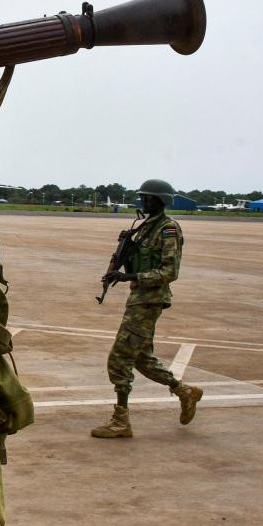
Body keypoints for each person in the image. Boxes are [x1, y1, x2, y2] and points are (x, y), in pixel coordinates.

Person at [92, 179, 203, 438]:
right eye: (143, 198)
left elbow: (169, 271)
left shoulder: (168, 230)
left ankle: (121, 420)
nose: (143, 202)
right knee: (141, 358)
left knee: (119, 358)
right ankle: (185, 391)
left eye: (148, 198)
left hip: (149, 300)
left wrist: (131, 278)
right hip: (139, 298)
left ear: (160, 201)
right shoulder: (143, 229)